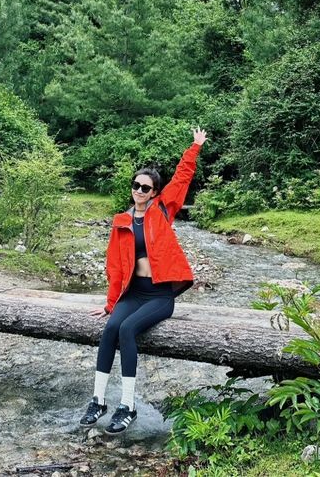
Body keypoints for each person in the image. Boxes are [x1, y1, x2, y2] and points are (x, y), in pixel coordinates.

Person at [79, 127, 207, 435]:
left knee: (126, 329)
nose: (139, 190)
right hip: (133, 293)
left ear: (153, 192)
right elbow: (115, 266)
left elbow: (182, 179)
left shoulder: (162, 210)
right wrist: (111, 303)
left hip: (159, 296)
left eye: (146, 187)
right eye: (136, 185)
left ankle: (128, 405)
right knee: (110, 328)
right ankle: (97, 401)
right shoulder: (121, 221)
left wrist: (194, 147)